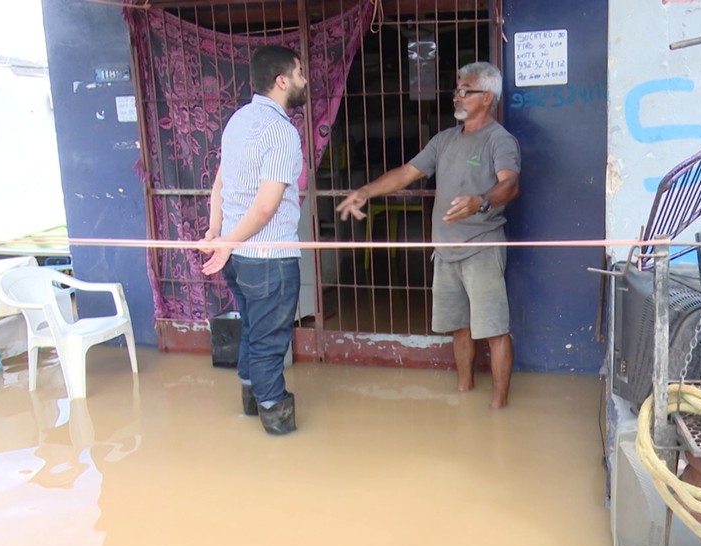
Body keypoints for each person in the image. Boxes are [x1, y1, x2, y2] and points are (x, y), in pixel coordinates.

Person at [336, 62, 520, 408]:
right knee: (459, 329)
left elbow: (509, 184)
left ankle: (499, 408)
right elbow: (407, 173)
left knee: (494, 331)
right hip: (445, 251)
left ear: (488, 98)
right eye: (457, 89)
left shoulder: (500, 140)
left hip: (481, 249)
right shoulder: (445, 139)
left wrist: (481, 202)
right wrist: (365, 191)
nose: (458, 96)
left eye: (467, 90)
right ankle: (464, 392)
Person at [199, 45, 307, 435]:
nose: (304, 80)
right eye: (299, 72)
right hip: (268, 258)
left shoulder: (238, 121)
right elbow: (265, 208)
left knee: (252, 329)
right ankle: (276, 423)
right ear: (282, 81)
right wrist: (223, 240)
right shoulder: (280, 131)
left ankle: (250, 405)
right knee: (268, 340)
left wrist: (218, 234)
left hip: (239, 257)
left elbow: (219, 186)